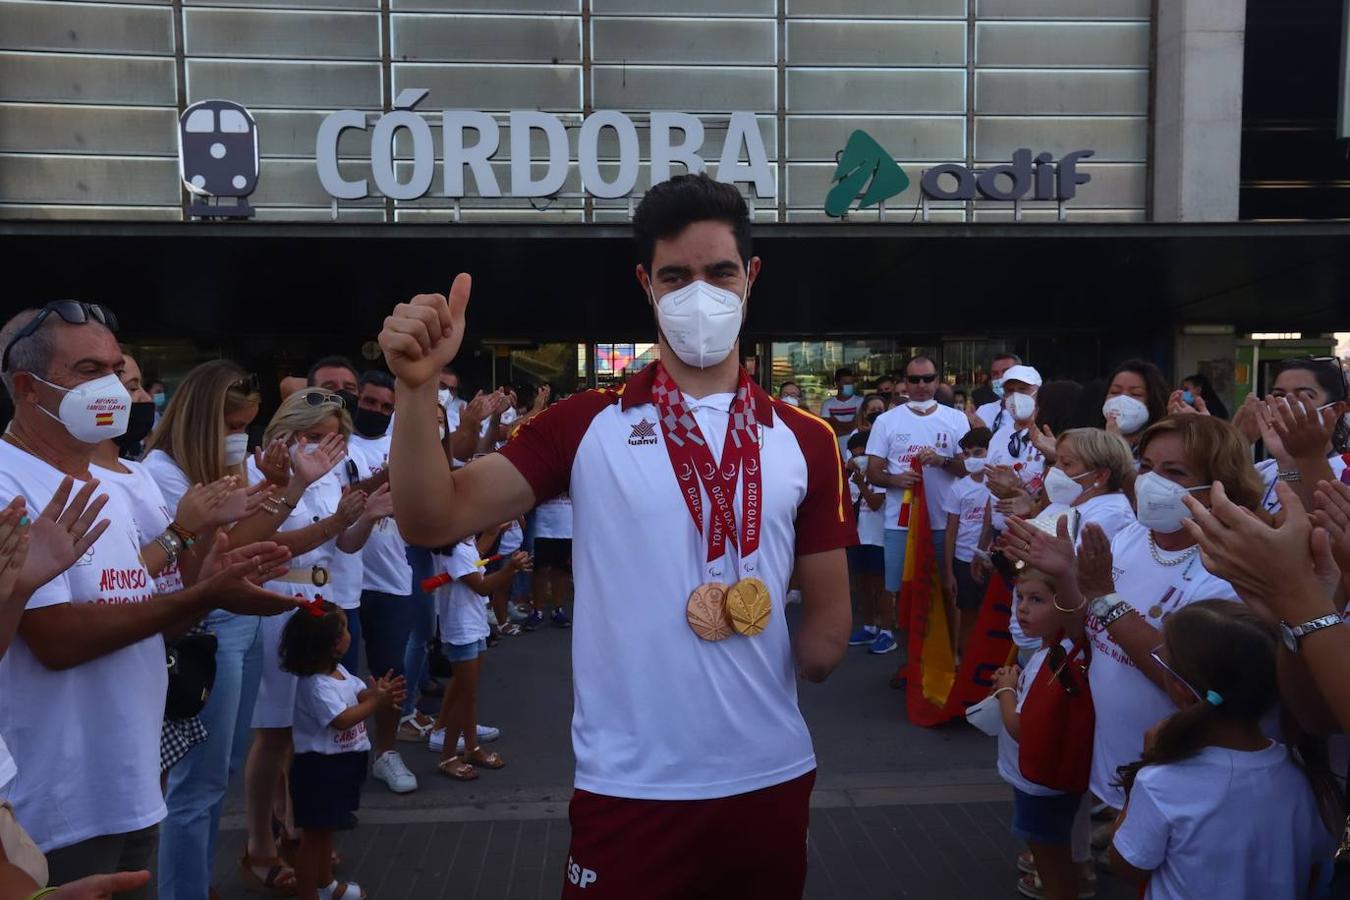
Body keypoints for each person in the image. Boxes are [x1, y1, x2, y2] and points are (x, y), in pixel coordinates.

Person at [379, 172, 855, 898]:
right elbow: (431, 517)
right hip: (631, 785)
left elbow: (828, 626)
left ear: (751, 276)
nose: (702, 293)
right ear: (646, 283)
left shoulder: (806, 439)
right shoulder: (584, 424)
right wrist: (416, 392)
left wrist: (772, 648)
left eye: (720, 272)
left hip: (769, 775)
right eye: (677, 275)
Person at [0, 303, 295, 892]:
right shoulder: (9, 483)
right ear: (30, 388)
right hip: (58, 800)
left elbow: (142, 620)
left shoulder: (108, 482)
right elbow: (57, 641)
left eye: (116, 367)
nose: (112, 387)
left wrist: (204, 577)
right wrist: (201, 595)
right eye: (89, 370)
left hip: (130, 781)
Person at [1001, 414, 1263, 825]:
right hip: (1111, 759)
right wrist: (1066, 577)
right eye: (1146, 467)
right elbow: (1082, 633)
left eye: (1173, 472)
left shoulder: (1228, 565)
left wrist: (1105, 596)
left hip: (1178, 777)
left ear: (1219, 486)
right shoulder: (1129, 538)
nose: (1151, 481)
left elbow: (1185, 683)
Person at [143, 360, 282, 900]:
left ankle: (194, 882)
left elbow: (239, 541)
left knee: (219, 769)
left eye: (246, 425)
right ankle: (184, 890)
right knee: (196, 785)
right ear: (203, 420)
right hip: (206, 621)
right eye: (231, 426)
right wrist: (258, 496)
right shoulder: (162, 473)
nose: (239, 437)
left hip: (234, 618)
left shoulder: (215, 469)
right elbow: (201, 562)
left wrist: (272, 485)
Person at [1110, 602, 1335, 899]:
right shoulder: (1302, 772)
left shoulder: (1160, 783)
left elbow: (1128, 867)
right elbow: (1315, 863)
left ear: (1181, 690)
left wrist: (1134, 788)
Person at [237, 389, 366, 892]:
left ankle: (294, 823)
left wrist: (368, 513)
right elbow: (261, 544)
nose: (323, 448)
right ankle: (258, 843)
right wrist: (336, 518)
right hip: (276, 598)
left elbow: (343, 543)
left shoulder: (332, 474)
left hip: (320, 594)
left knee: (305, 723)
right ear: (285, 432)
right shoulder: (258, 474)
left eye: (332, 439)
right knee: (273, 731)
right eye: (313, 437)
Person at [280, 598, 404, 900]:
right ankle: (310, 891)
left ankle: (326, 885)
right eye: (345, 629)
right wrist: (375, 703)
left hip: (342, 765)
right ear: (332, 644)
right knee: (314, 838)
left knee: (325, 834)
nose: (350, 634)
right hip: (320, 770)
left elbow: (358, 693)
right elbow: (341, 720)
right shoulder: (316, 685)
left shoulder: (339, 673)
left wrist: (377, 694)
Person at [344, 369, 424, 791]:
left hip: (392, 576)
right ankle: (341, 753)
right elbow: (344, 504)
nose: (375, 411)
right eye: (369, 403)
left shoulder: (401, 442)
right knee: (336, 678)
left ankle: (386, 753)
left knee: (390, 673)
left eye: (384, 407)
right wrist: (387, 477)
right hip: (344, 580)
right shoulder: (339, 443)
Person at [990, 567, 1088, 900]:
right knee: (1057, 847)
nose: (1022, 608)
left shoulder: (1053, 661)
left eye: (1037, 600)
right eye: (1020, 597)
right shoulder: (1054, 652)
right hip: (1047, 778)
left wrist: (1005, 690)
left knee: (1049, 855)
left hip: (1038, 781)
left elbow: (1021, 729)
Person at [866, 356, 971, 656]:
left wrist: (943, 461)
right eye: (915, 380)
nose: (922, 385)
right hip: (901, 525)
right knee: (903, 594)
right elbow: (873, 471)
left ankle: (949, 660)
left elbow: (967, 468)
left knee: (946, 592)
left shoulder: (955, 419)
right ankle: (911, 664)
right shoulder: (887, 421)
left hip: (943, 523)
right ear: (905, 384)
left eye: (928, 379)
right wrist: (896, 480)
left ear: (938, 381)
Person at [427, 531, 531, 777]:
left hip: (473, 625)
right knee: (464, 694)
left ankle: (471, 747)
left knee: (467, 692)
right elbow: (482, 587)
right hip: (462, 629)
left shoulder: (464, 544)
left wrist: (497, 528)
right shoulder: (457, 552)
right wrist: (510, 569)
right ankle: (448, 756)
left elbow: (479, 554)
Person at [944, 428, 992, 658]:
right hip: (963, 560)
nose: (973, 458)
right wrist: (949, 572)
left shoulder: (999, 483)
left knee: (993, 616)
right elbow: (951, 532)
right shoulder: (958, 488)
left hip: (993, 559)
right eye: (967, 454)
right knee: (969, 615)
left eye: (979, 452)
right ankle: (965, 664)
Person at [845, 432, 886, 648]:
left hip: (879, 537)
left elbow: (876, 503)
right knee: (862, 585)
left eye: (863, 454)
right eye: (855, 454)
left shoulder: (880, 475)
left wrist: (862, 483)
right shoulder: (851, 475)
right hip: (858, 537)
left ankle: (886, 631)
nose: (859, 458)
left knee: (881, 586)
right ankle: (869, 626)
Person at [1101, 359, 1170, 457]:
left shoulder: (1164, 447)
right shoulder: (1087, 445)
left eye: (1135, 393)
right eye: (1115, 392)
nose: (1122, 400)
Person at [972, 353, 1022, 431]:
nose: (1000, 377)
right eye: (995, 374)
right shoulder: (983, 411)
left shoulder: (1033, 411)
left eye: (1006, 372)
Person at [839, 392, 886, 458]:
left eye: (880, 409)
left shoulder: (890, 432)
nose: (877, 412)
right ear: (865, 413)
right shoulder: (856, 436)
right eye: (873, 410)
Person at [819, 367, 863, 436]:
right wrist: (853, 422)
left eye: (852, 383)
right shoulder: (827, 404)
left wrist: (836, 423)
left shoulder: (861, 401)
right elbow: (827, 429)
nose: (850, 385)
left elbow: (859, 426)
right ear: (837, 384)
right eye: (846, 383)